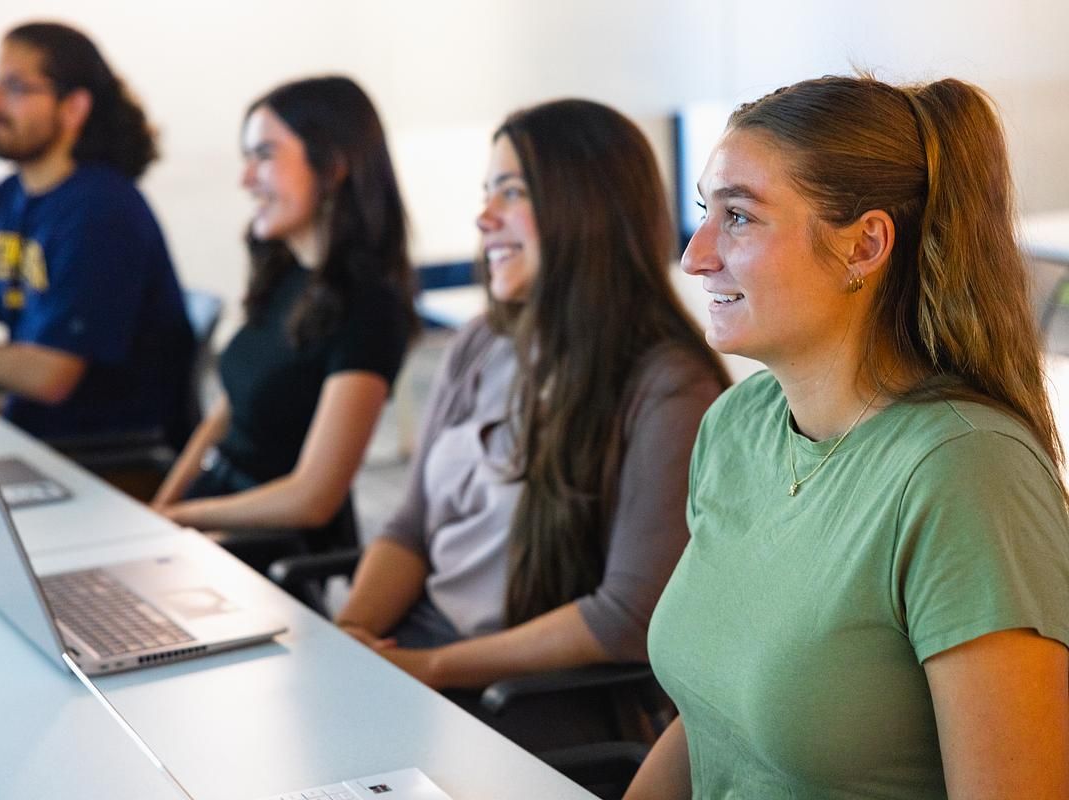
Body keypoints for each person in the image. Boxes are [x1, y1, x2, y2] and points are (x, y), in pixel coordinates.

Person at [627, 75, 1069, 799]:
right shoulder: (739, 424)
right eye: (708, 210)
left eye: (739, 217)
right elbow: (713, 719)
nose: (696, 255)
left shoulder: (965, 473)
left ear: (864, 245)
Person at [334, 99, 728, 745]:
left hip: (531, 693)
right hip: (425, 648)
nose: (483, 218)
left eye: (511, 193)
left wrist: (428, 667)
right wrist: (348, 637)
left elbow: (624, 617)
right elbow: (409, 529)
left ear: (585, 208)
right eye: (487, 193)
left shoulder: (669, 386)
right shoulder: (479, 345)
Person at [151, 77, 416, 558]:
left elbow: (313, 499)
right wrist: (161, 509)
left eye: (264, 155)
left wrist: (180, 520)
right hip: (212, 521)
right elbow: (225, 413)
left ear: (332, 166)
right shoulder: (287, 274)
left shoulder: (371, 309)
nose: (246, 179)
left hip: (263, 545)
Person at [0, 22, 193, 445]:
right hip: (29, 435)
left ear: (73, 108)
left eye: (16, 87)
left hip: (109, 458)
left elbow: (50, 378)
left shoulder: (103, 211)